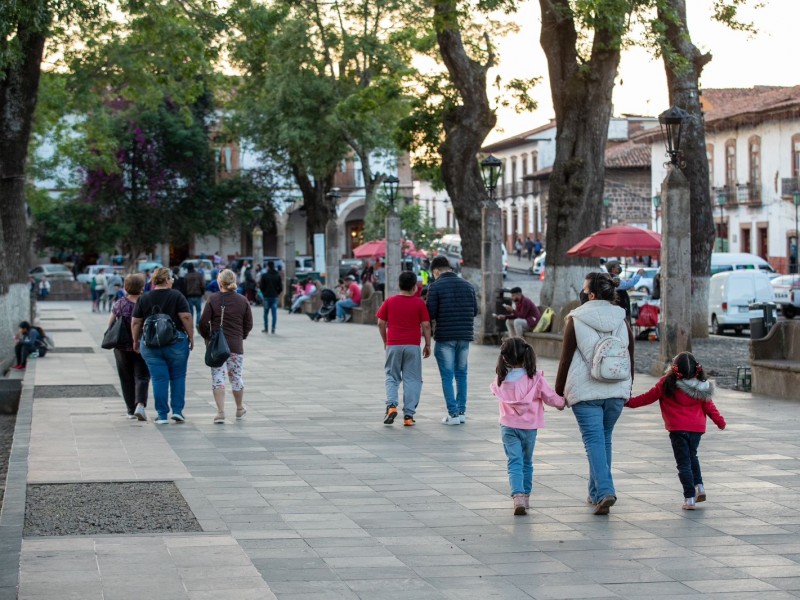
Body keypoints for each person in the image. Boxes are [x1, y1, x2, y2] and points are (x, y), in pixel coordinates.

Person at [555, 272, 634, 515]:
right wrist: (628, 386)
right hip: (617, 389)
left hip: (586, 391)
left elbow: (565, 360)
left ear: (590, 294)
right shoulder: (622, 319)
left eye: (583, 288)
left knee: (594, 441)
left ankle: (605, 491)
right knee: (604, 439)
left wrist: (559, 390)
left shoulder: (576, 319)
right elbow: (632, 355)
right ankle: (594, 492)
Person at [626, 352, 726, 510]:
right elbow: (709, 406)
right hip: (697, 429)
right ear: (696, 369)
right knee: (692, 456)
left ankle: (689, 498)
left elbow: (647, 397)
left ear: (674, 368)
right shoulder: (701, 385)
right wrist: (720, 422)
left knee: (683, 463)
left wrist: (628, 402)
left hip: (677, 429)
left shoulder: (666, 383)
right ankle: (699, 487)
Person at [490, 338, 565, 515]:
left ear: (505, 358)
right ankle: (526, 496)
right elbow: (550, 397)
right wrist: (562, 403)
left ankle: (517, 497)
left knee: (514, 461)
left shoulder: (501, 379)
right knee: (526, 462)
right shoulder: (535, 379)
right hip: (530, 427)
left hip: (508, 426)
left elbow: (495, 391)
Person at [131, 267, 194, 424]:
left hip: (151, 344)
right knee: (178, 376)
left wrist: (136, 340)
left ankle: (162, 415)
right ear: (166, 280)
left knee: (159, 378)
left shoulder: (144, 298)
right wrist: (191, 337)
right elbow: (185, 317)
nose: (172, 281)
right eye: (171, 278)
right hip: (176, 342)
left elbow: (136, 322)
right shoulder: (177, 296)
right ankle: (178, 411)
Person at [426, 255, 479, 425]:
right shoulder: (468, 286)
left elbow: (430, 314)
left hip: (445, 337)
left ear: (436, 271)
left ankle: (453, 414)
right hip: (464, 336)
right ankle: (461, 412)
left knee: (447, 376)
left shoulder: (435, 287)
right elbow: (475, 311)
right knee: (462, 374)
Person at [377, 271, 432, 427]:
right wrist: (427, 344)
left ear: (399, 285)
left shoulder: (389, 301)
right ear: (415, 287)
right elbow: (426, 325)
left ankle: (391, 406)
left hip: (393, 344)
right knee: (412, 379)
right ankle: (408, 415)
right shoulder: (419, 303)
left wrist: (385, 341)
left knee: (392, 376)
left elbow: (381, 323)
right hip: (413, 346)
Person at [199, 269, 253, 424]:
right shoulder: (242, 300)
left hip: (217, 346)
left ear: (219, 282)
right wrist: (241, 336)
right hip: (235, 345)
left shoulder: (213, 299)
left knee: (218, 377)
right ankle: (239, 408)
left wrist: (208, 337)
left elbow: (203, 322)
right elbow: (248, 323)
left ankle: (221, 412)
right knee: (236, 377)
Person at [107, 274, 150, 421]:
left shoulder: (119, 303)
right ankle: (140, 405)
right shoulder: (146, 303)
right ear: (142, 288)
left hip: (122, 347)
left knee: (126, 378)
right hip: (142, 344)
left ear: (126, 287)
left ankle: (131, 410)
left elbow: (110, 323)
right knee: (142, 376)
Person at [259, 260, 283, 333]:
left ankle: (266, 328)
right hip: (274, 296)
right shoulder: (277, 275)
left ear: (268, 266)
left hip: (266, 296)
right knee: (274, 313)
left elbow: (261, 286)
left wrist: (264, 293)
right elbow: (281, 287)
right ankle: (273, 328)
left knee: (266, 313)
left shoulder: (264, 275)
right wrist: (277, 293)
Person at [184, 262, 205, 328]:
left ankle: (191, 324)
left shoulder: (186, 276)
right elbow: (202, 285)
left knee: (191, 312)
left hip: (189, 295)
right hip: (198, 295)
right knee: (198, 310)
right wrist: (202, 293)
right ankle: (197, 323)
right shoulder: (199, 275)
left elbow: (184, 286)